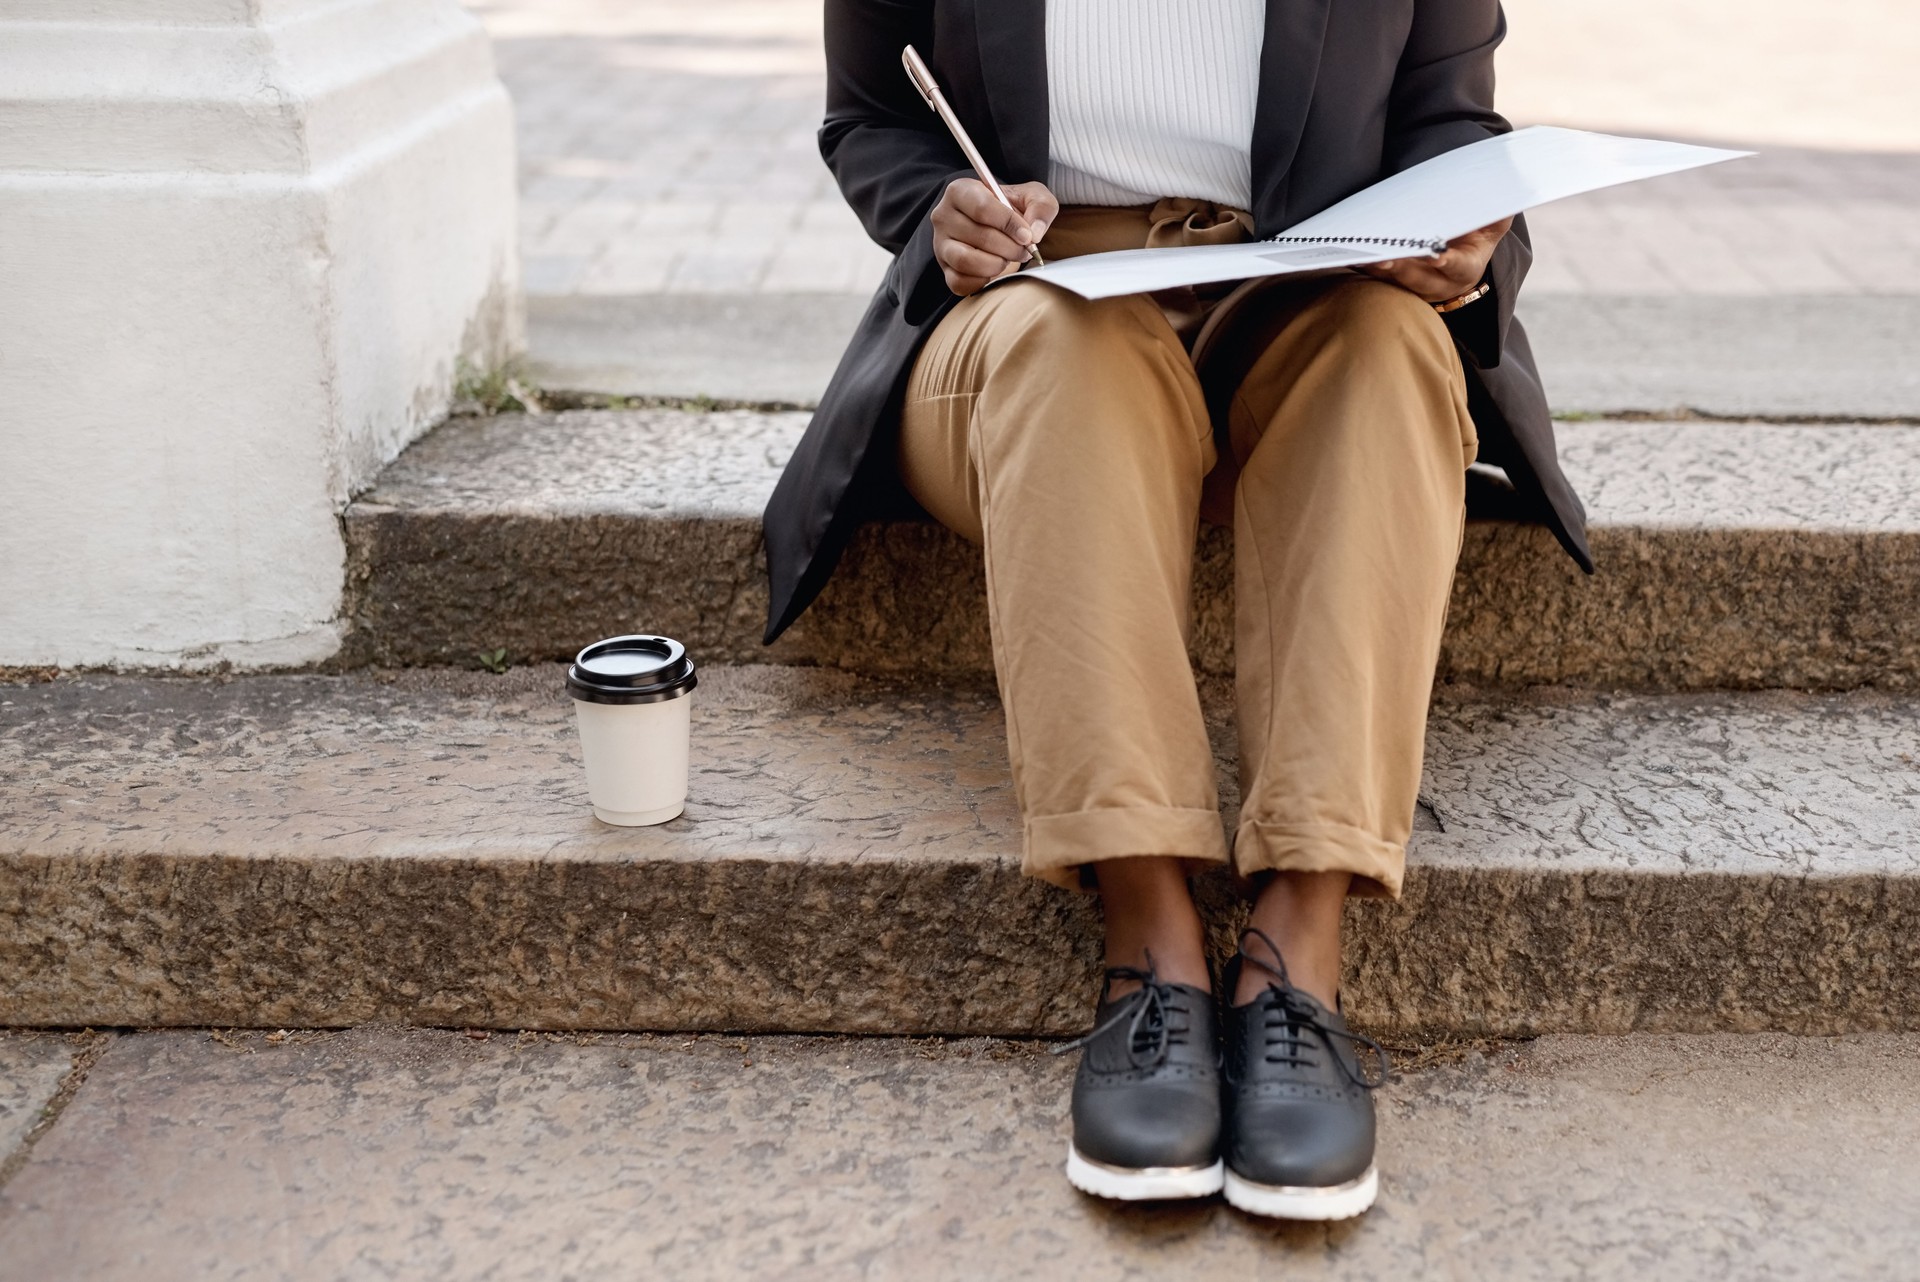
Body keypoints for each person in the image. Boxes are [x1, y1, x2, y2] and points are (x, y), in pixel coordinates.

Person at [762, 0, 1593, 1219]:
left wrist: (1462, 243)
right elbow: (872, 118)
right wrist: (941, 214)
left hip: (1307, 284)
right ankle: (1149, 942)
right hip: (1027, 310)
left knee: (1389, 355)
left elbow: (1449, 126)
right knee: (1066, 345)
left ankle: (1298, 955)